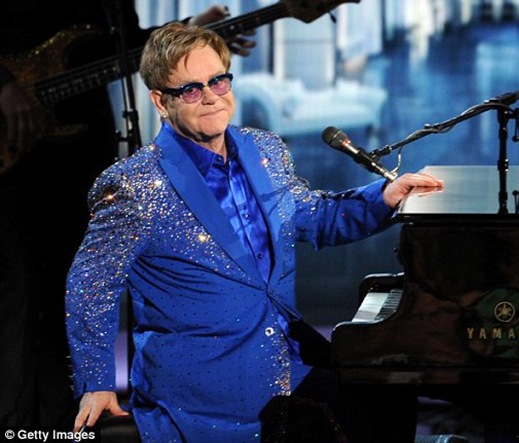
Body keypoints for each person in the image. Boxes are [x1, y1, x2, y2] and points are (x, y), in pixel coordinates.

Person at [65, 22, 445, 442]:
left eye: (218, 81)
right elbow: (90, 285)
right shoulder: (134, 185)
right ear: (160, 101)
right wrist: (96, 382)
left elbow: (312, 215)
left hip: (289, 361)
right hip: (203, 394)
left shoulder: (263, 149)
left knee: (388, 397)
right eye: (190, 89)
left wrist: (385, 197)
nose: (211, 96)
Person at [0, 1, 253, 429]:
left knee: (66, 298)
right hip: (16, 162)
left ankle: (65, 428)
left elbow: (117, 45)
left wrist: (187, 30)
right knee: (18, 298)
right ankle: (14, 426)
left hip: (79, 161)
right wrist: (5, 85)